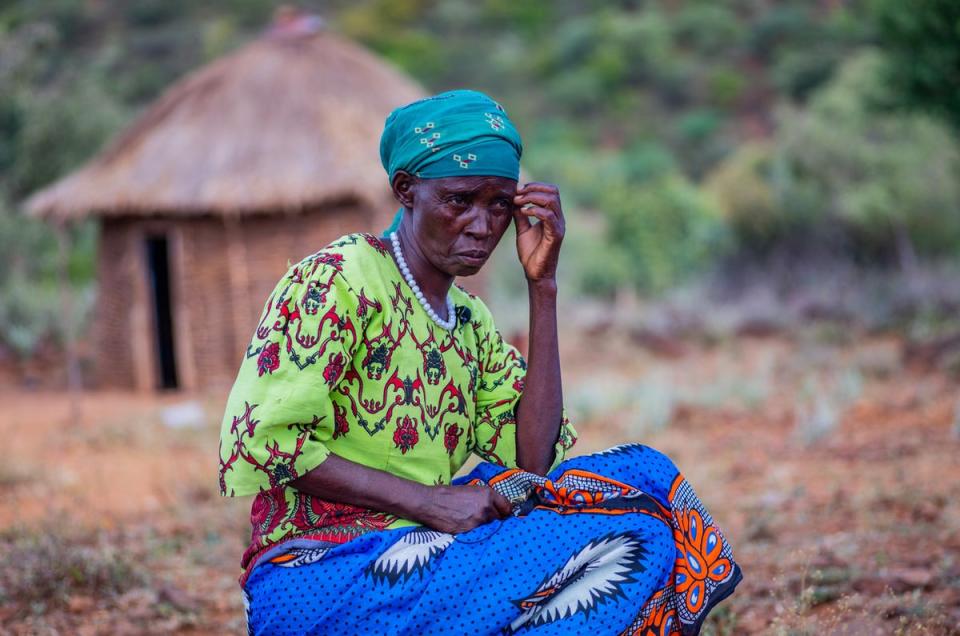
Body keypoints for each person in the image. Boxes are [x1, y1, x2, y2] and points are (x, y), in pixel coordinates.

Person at [218, 89, 740, 636]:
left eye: (499, 206)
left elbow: (531, 460)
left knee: (646, 481)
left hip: (430, 552)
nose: (482, 225)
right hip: (324, 573)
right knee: (624, 532)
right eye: (459, 200)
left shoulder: (468, 320)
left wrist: (543, 287)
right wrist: (431, 502)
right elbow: (264, 439)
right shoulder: (338, 279)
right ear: (406, 191)